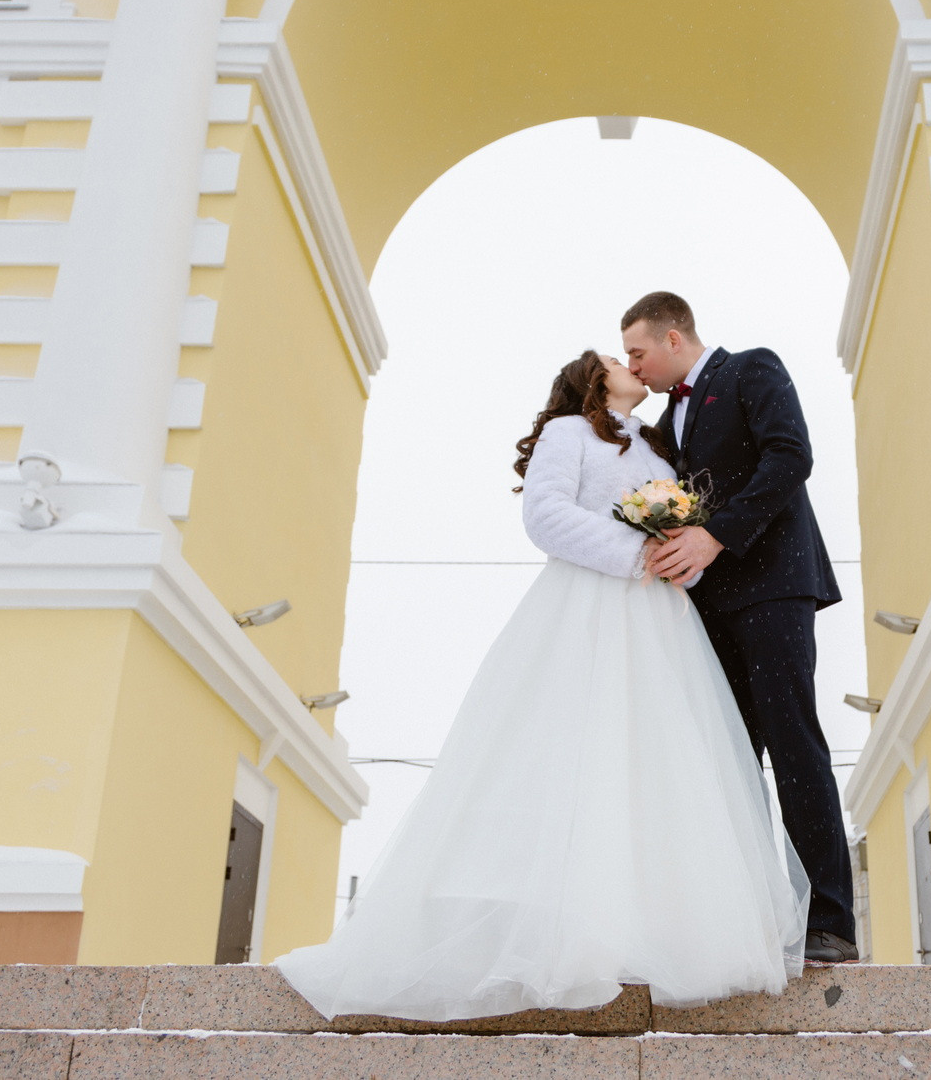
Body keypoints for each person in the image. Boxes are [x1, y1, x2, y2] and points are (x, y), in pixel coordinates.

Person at [275, 350, 806, 1021]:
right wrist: (631, 550)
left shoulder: (660, 448)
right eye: (620, 359)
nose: (634, 365)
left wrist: (676, 559)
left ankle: (652, 926)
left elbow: (683, 539)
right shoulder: (566, 434)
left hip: (659, 622)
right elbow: (546, 516)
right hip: (585, 609)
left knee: (655, 765)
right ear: (593, 378)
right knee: (570, 755)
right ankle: (553, 929)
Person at [621, 291, 857, 965]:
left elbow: (790, 457)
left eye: (639, 351)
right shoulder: (665, 421)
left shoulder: (752, 369)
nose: (635, 366)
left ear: (673, 338)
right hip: (706, 609)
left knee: (793, 743)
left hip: (775, 587)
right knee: (724, 760)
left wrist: (715, 535)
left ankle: (830, 919)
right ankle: (754, 918)